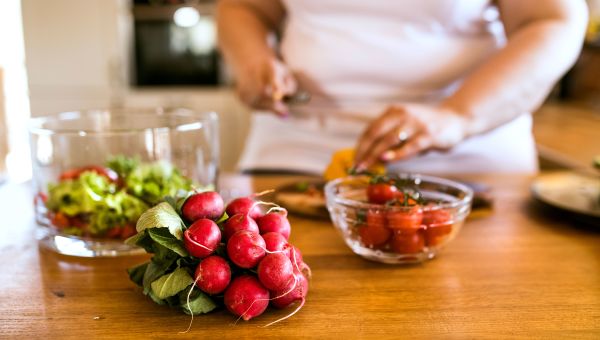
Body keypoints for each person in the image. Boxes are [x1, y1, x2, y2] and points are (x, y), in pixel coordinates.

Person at [217, 0, 588, 175]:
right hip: (292, 157)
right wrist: (252, 62)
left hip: (468, 167)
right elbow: (243, 7)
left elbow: (554, 20)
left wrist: (456, 116)